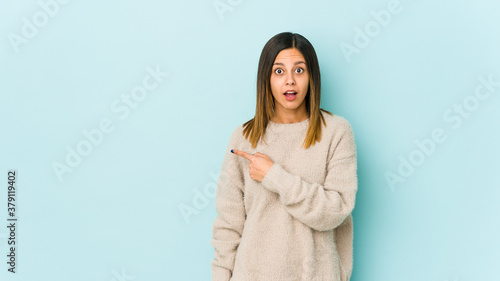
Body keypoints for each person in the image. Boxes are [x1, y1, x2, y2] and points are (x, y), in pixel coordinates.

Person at [210, 31, 358, 281]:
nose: (290, 81)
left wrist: (273, 176)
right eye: (279, 71)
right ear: (266, 78)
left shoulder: (336, 132)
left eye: (299, 70)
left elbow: (336, 211)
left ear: (311, 76)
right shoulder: (243, 137)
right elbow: (228, 225)